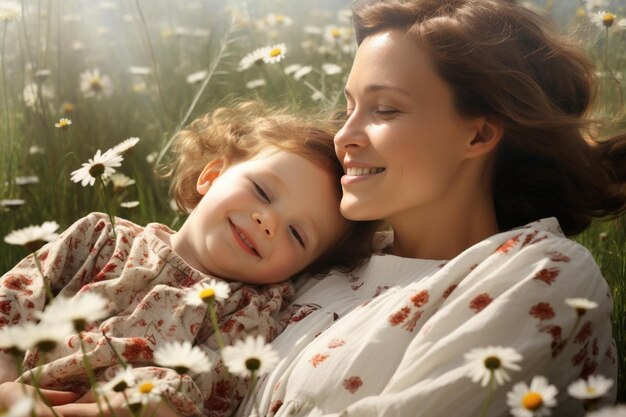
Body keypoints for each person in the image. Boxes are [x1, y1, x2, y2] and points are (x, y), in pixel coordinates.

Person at [235, 1, 626, 416]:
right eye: (348, 108)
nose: (343, 136)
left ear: (479, 135)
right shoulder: (322, 265)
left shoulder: (539, 272)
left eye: (385, 109)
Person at [0, 101, 379, 417]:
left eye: (297, 234)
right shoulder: (101, 237)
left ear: (303, 269)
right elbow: (12, 302)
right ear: (211, 175)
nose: (269, 222)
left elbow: (209, 393)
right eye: (262, 191)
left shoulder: (249, 313)